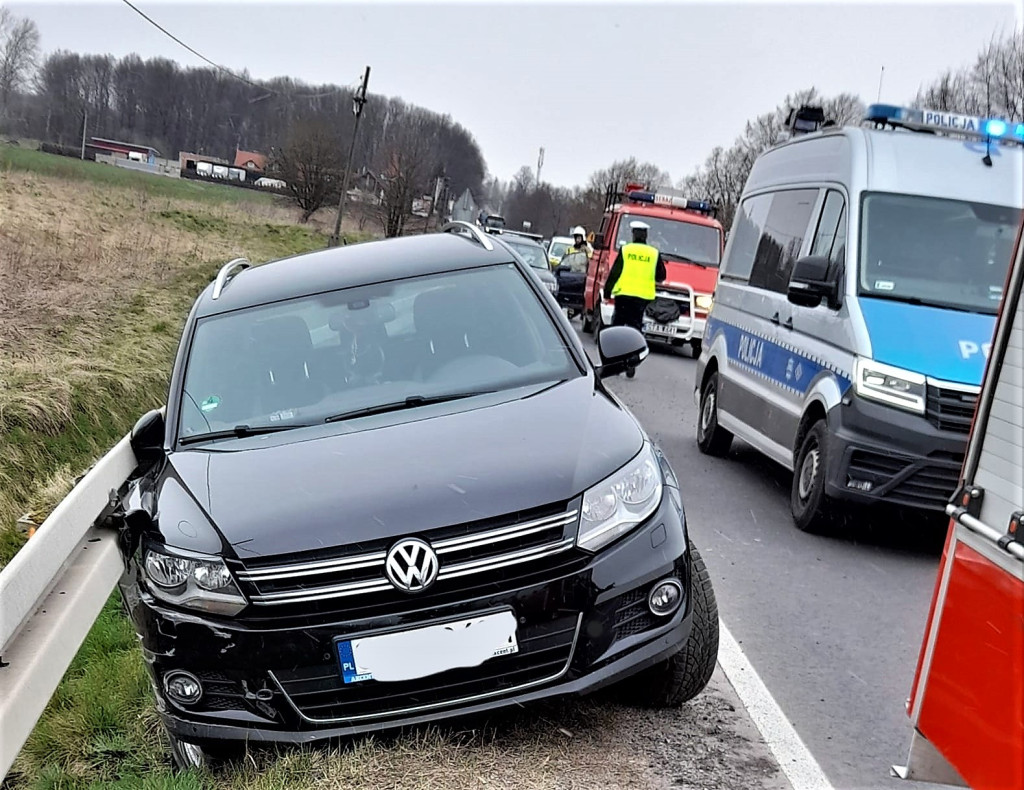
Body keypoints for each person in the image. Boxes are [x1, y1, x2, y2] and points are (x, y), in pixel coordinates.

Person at [603, 220, 665, 376]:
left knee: (617, 327)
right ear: (646, 236)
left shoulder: (626, 250)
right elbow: (661, 276)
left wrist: (607, 291)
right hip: (641, 298)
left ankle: (614, 362)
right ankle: (631, 361)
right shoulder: (653, 253)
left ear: (633, 234)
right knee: (634, 329)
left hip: (623, 296)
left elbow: (615, 273)